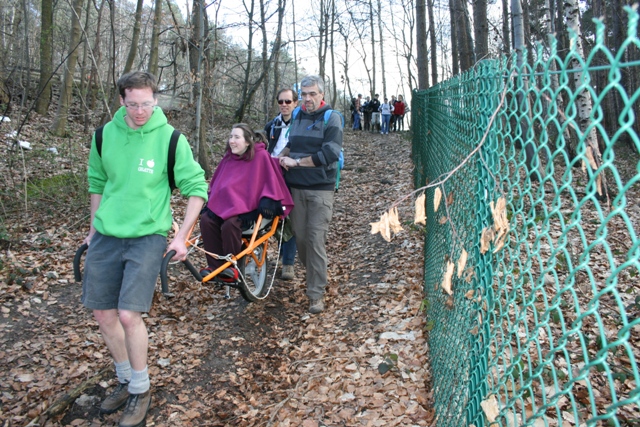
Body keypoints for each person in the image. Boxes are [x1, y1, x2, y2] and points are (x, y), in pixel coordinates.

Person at [83, 71, 208, 427]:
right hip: (107, 235)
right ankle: (125, 378)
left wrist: (182, 235)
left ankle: (141, 387)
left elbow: (196, 188)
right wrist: (93, 229)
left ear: (157, 100)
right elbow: (97, 181)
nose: (140, 111)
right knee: (103, 314)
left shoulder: (170, 139)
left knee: (127, 314)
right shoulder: (104, 135)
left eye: (147, 104)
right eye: (133, 104)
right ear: (122, 100)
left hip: (148, 235)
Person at [278, 75, 343, 314]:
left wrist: (296, 163)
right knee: (302, 241)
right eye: (304, 94)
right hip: (294, 189)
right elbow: (291, 144)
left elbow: (330, 154)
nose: (307, 99)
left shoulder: (331, 118)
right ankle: (316, 274)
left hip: (320, 191)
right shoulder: (297, 115)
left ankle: (315, 294)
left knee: (315, 241)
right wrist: (278, 159)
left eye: (312, 94)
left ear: (321, 94)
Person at [199, 124, 294, 280]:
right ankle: (214, 266)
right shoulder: (228, 158)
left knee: (230, 225)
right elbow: (218, 184)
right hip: (226, 204)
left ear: (248, 141)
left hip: (248, 209)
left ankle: (231, 266)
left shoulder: (260, 156)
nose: (232, 141)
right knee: (206, 221)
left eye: (237, 137)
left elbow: (270, 182)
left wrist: (267, 199)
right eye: (230, 137)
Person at [264, 88, 299, 280]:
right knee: (274, 216)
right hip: (271, 176)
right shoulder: (272, 125)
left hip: (293, 176)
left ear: (295, 103)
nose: (284, 105)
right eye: (281, 102)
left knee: (289, 218)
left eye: (288, 101)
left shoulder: (301, 124)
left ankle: (288, 264)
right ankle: (278, 256)